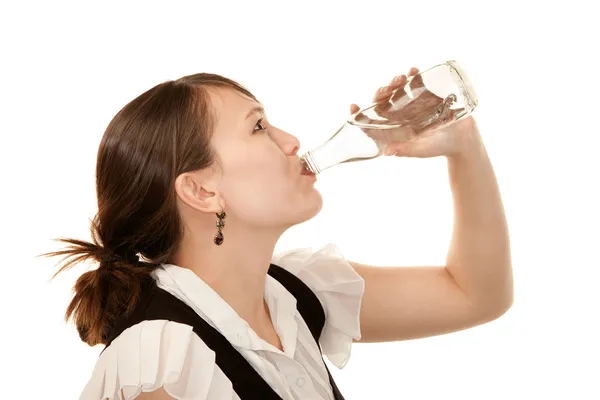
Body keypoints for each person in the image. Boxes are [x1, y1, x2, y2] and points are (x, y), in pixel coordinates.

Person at [41, 67, 513, 399]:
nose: (291, 142)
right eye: (259, 127)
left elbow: (475, 295)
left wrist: (463, 146)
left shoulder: (294, 292)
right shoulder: (164, 360)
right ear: (202, 191)